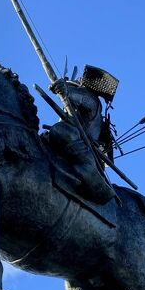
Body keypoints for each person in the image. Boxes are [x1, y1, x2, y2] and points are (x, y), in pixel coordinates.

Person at [45, 65, 119, 204]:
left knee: (62, 131)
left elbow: (80, 98)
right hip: (67, 140)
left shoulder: (92, 100)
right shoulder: (78, 100)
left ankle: (90, 173)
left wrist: (66, 90)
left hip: (84, 147)